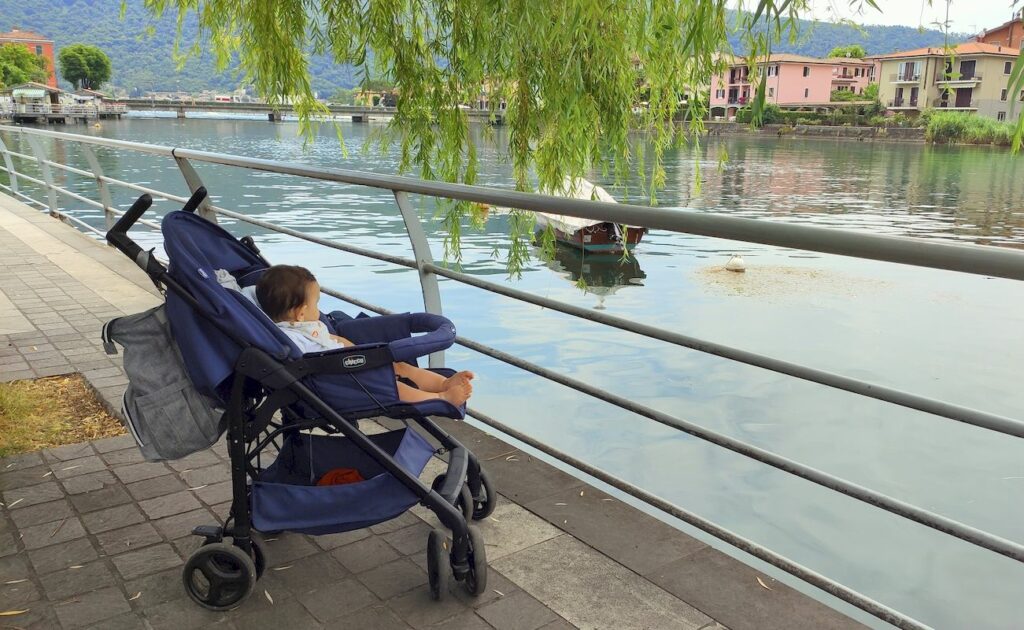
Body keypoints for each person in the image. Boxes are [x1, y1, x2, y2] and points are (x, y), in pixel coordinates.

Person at [255, 265, 473, 406]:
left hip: (353, 363)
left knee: (400, 367)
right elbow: (310, 364)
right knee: (395, 388)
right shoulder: (292, 339)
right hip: (342, 379)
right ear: (301, 312)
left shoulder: (308, 324)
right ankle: (441, 398)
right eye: (316, 304)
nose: (319, 310)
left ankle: (444, 383)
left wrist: (360, 352)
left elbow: (335, 340)